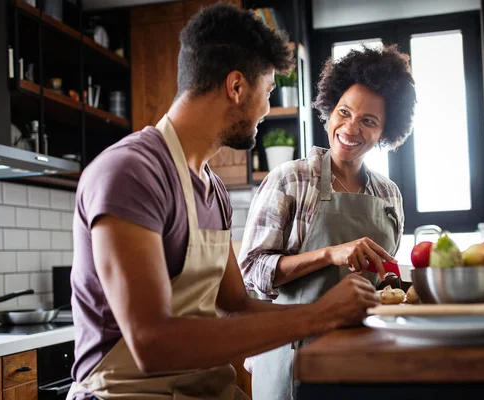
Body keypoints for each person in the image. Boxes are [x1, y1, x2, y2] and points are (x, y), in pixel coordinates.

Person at [67, 4, 381, 400]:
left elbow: (236, 308)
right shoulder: (130, 172)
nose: (266, 109)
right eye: (267, 91)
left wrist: (341, 318)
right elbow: (152, 342)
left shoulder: (211, 188)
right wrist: (320, 314)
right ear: (236, 87)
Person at [239, 44, 417, 400]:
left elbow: (386, 280)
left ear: (385, 131)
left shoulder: (389, 194)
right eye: (344, 112)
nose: (350, 128)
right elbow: (251, 271)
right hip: (291, 356)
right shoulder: (290, 180)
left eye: (368, 121)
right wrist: (328, 254)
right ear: (329, 109)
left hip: (362, 357)